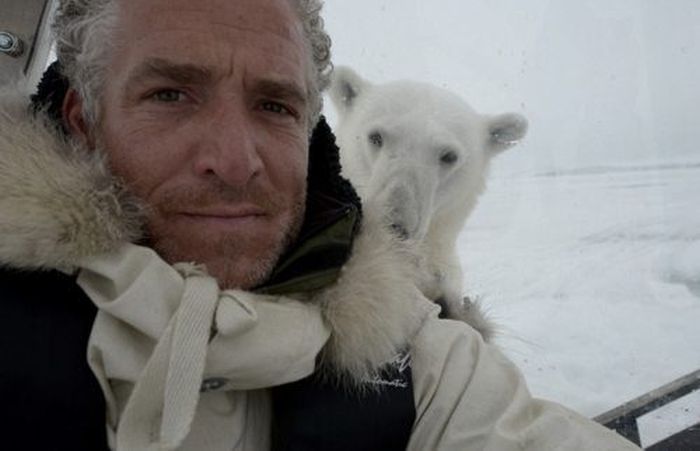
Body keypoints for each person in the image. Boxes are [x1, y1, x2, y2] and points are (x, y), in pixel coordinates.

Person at [0, 0, 641, 449]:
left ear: (309, 132)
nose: (235, 162)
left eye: (274, 104)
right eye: (171, 94)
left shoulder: (418, 362)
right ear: (83, 117)